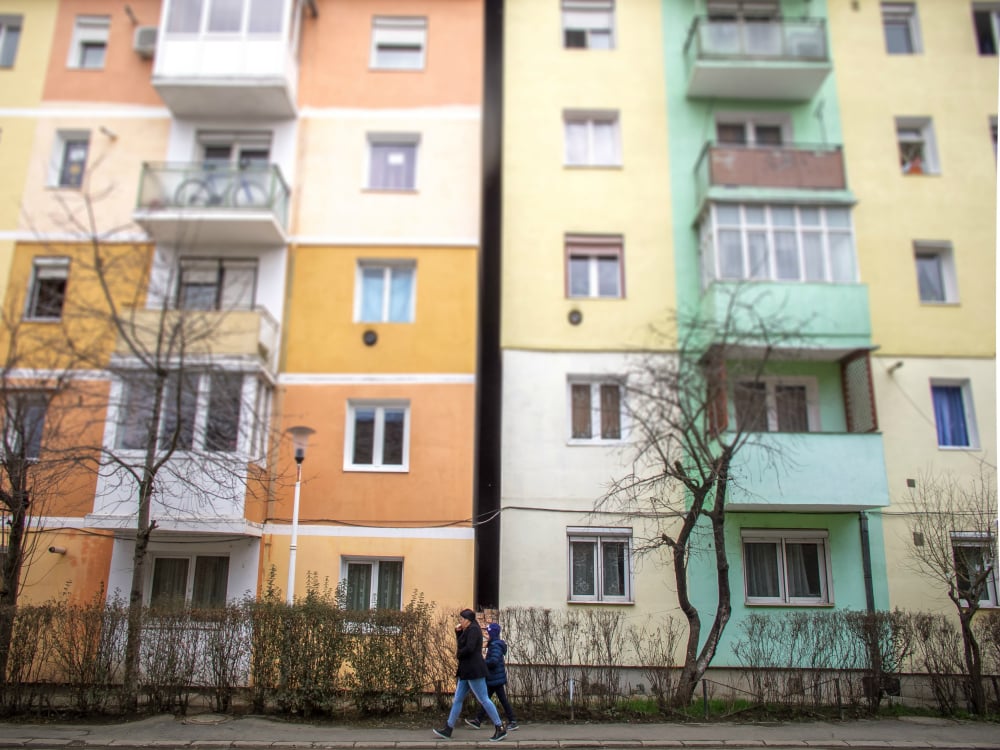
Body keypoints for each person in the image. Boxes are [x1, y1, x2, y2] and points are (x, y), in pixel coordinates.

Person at [433, 609, 507, 742]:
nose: (460, 621)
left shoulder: (473, 630)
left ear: (468, 620)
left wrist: (459, 654)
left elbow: (469, 648)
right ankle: (448, 728)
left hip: (474, 670)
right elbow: (462, 643)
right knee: (458, 699)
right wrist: (458, 632)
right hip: (466, 671)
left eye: (462, 619)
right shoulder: (468, 629)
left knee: (484, 699)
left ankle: (500, 727)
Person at [465, 622, 518, 730]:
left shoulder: (495, 645)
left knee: (490, 699)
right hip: (495, 677)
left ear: (493, 634)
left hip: (495, 678)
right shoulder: (495, 644)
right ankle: (478, 720)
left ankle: (512, 721)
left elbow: (493, 661)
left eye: (488, 633)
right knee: (488, 699)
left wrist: (482, 662)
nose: (487, 635)